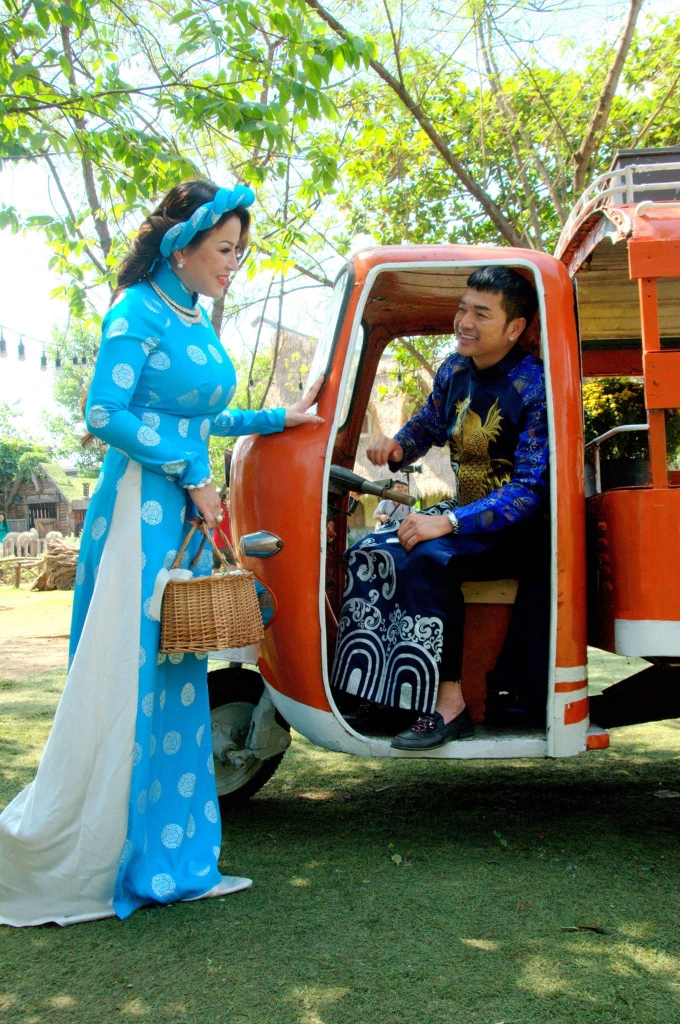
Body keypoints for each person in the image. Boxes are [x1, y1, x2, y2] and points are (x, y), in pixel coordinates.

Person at [0, 179, 323, 927]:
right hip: (136, 520)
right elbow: (103, 412)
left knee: (177, 675)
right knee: (129, 676)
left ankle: (170, 861)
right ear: (183, 245)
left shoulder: (187, 315)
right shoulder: (136, 310)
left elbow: (202, 414)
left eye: (241, 250)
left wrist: (281, 416)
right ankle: (101, 856)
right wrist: (192, 470)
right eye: (224, 248)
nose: (233, 262)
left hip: (177, 512)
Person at [331, 265, 549, 750]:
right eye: (462, 308)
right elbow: (428, 424)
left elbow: (530, 489)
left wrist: (447, 521)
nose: (464, 322)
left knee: (429, 557)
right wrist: (396, 448)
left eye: (480, 313)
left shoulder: (535, 386)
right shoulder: (453, 370)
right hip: (463, 515)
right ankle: (378, 692)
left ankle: (451, 707)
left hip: (514, 529)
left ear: (514, 328)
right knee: (371, 552)